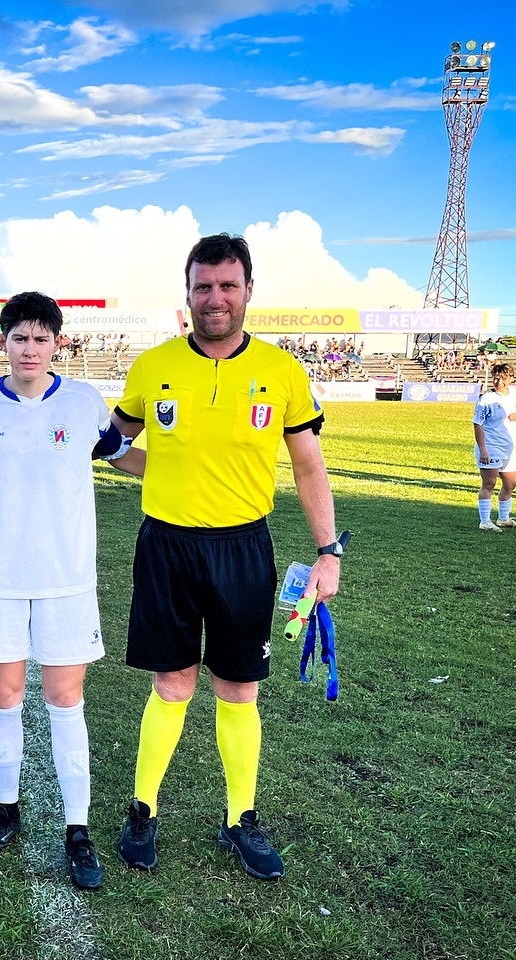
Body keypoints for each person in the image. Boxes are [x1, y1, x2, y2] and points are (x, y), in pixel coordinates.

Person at [110, 234, 342, 880]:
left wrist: (329, 552)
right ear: (187, 294)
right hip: (167, 546)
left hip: (244, 546)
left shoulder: (282, 371)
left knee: (238, 689)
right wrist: (157, 471)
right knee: (172, 684)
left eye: (227, 285)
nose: (215, 298)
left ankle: (240, 817)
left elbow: (307, 465)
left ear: (247, 291)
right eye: (203, 286)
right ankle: (143, 809)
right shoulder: (153, 367)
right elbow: (111, 443)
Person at [0, 292, 144, 889]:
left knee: (65, 696)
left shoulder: (82, 403)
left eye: (41, 338)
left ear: (58, 343)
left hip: (65, 579)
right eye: (19, 337)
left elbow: (122, 456)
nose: (30, 348)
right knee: (5, 693)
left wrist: (195, 471)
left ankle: (77, 830)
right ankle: (7, 810)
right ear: (4, 343)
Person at [473, 362, 516, 532]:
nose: (498, 382)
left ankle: (504, 518)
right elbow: (477, 424)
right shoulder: (486, 399)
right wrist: (483, 449)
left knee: (511, 483)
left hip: (508, 448)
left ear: (510, 379)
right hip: (491, 447)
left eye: (503, 378)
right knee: (489, 483)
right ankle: (485, 521)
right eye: (496, 378)